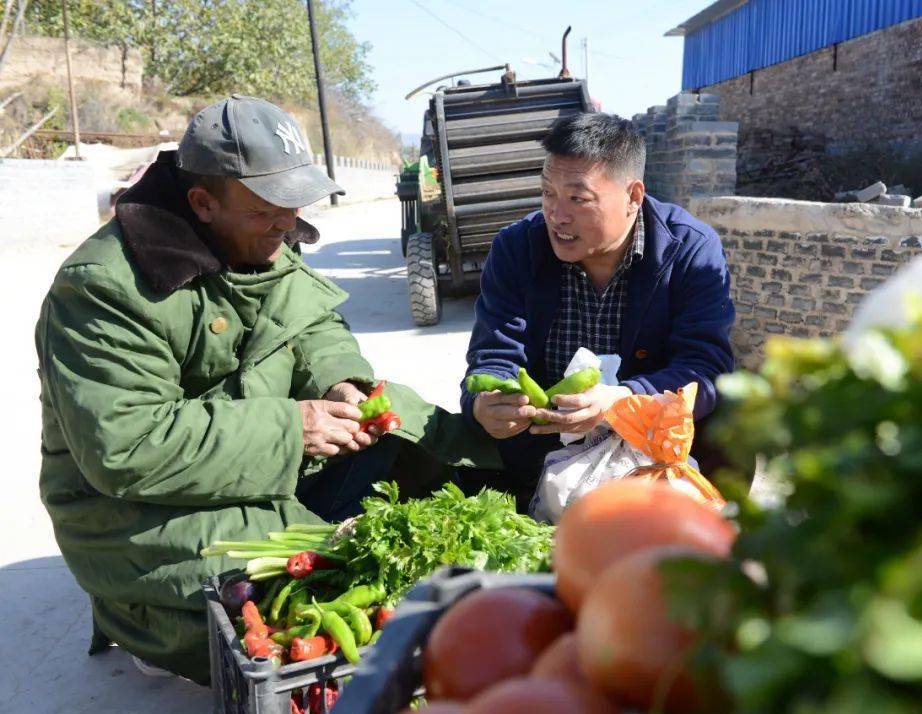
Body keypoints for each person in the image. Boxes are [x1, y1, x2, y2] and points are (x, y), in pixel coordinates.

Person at [35, 95, 496, 682]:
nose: (288, 221)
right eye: (266, 210)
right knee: (302, 590)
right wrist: (293, 426)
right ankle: (135, 617)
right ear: (202, 203)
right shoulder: (102, 288)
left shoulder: (266, 234)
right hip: (135, 505)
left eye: (294, 202)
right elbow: (126, 444)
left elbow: (312, 324)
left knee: (415, 438)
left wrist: (340, 380)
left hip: (254, 460)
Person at [460, 112, 736, 503]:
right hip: (543, 448)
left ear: (633, 197)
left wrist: (622, 401)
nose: (556, 215)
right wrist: (484, 405)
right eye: (547, 193)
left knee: (735, 413)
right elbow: (493, 356)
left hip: (652, 448)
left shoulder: (690, 249)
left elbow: (705, 367)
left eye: (578, 198)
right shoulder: (516, 248)